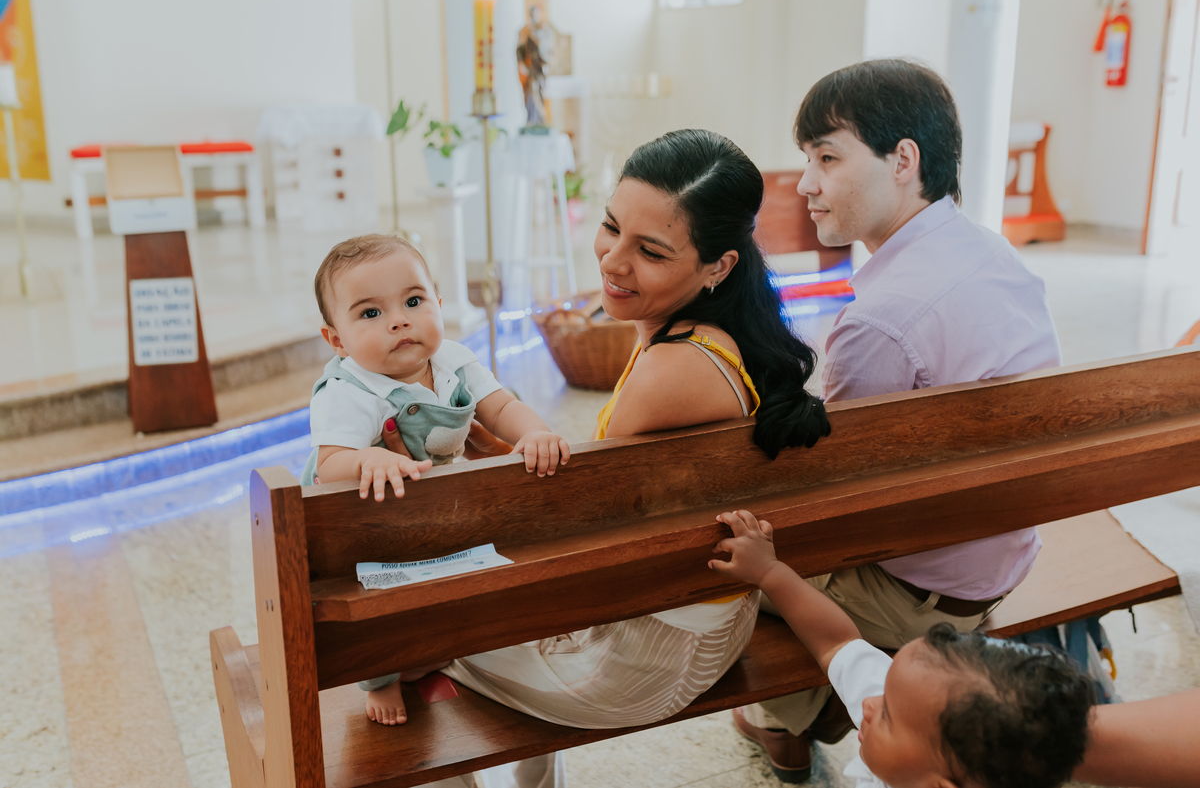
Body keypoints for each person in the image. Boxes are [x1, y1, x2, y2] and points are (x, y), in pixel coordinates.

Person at [399, 129, 830, 788]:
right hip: (705, 622)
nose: (612, 260)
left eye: (650, 250)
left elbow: (575, 538)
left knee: (404, 650)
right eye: (610, 227)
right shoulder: (716, 336)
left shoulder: (670, 371)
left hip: (639, 663)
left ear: (718, 266)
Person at [734, 59, 1064, 782]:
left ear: (903, 160)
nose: (807, 183)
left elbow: (832, 495)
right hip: (1003, 553)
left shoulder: (880, 319)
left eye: (826, 157)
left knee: (731, 566)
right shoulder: (991, 252)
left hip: (921, 590)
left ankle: (787, 717)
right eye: (806, 159)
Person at [301, 233, 570, 725]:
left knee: (448, 578)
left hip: (427, 500)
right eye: (369, 313)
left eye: (413, 301)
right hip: (362, 516)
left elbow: (501, 405)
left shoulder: (452, 359)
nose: (399, 319)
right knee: (380, 604)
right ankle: (381, 678)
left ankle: (433, 651)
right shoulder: (348, 390)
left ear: (439, 304)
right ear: (336, 339)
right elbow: (329, 462)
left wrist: (534, 433)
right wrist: (368, 460)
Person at [710, 508, 1094, 788]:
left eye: (889, 714)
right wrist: (768, 572)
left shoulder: (913, 709)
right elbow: (837, 641)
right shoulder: (911, 712)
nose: (868, 705)